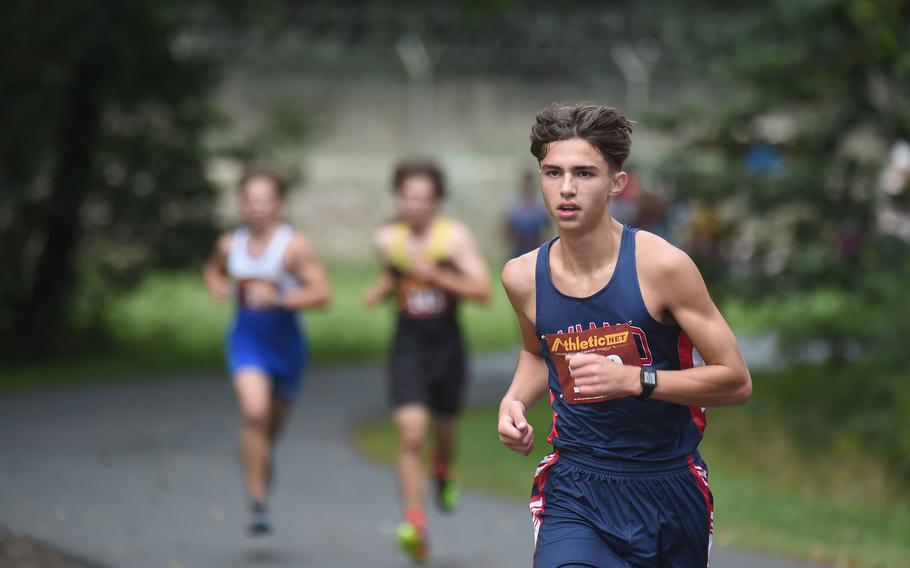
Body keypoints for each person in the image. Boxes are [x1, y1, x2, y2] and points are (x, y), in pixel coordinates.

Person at [497, 103, 752, 567]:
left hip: (669, 485)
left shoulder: (662, 267)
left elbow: (735, 381)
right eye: (553, 172)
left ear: (617, 183)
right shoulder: (522, 276)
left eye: (585, 173)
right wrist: (513, 402)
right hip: (576, 486)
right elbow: (537, 353)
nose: (567, 188)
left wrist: (638, 380)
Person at [364, 160, 491, 562]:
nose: (414, 205)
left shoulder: (454, 239)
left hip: (448, 350)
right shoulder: (387, 239)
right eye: (407, 197)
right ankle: (415, 522)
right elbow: (391, 276)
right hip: (407, 350)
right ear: (398, 197)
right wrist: (381, 289)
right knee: (412, 434)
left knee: (445, 436)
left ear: (436, 201)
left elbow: (483, 291)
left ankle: (443, 469)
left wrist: (438, 277)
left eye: (423, 198)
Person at [202, 166, 331, 535]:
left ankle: (258, 457)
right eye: (250, 200)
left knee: (270, 426)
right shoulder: (230, 244)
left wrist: (281, 297)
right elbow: (212, 270)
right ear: (241, 205)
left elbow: (323, 294)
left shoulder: (293, 247)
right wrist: (217, 286)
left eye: (265, 200)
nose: (258, 208)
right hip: (246, 343)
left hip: (287, 348)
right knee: (254, 414)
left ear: (279, 204)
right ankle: (258, 502)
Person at [504, 170, 552, 259]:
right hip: (518, 251)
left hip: (535, 250)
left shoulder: (540, 208)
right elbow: (507, 234)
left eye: (530, 184)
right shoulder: (514, 208)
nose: (528, 186)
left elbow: (547, 231)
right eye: (526, 184)